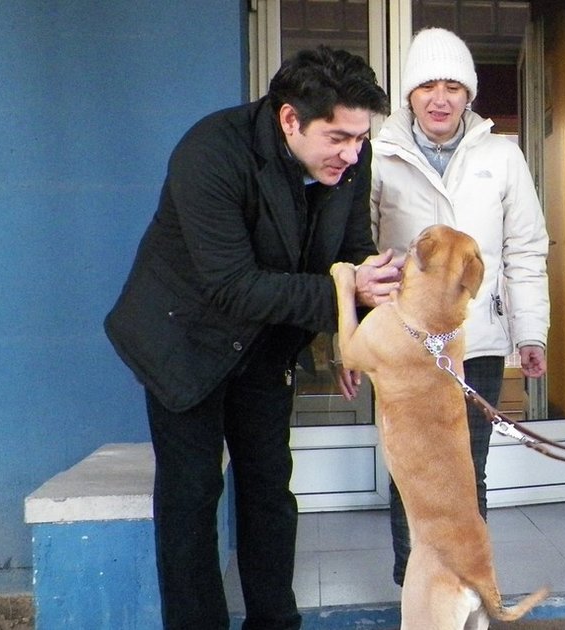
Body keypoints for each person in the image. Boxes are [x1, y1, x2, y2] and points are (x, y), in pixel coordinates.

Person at [104, 47, 399, 630]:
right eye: (338, 137)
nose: (353, 152)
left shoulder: (350, 161)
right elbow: (232, 286)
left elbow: (350, 251)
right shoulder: (210, 151)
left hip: (266, 346)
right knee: (191, 498)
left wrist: (353, 329)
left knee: (269, 491)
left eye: (361, 138)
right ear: (291, 119)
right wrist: (345, 295)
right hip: (182, 341)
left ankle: (274, 622)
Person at [355, 27, 550, 587]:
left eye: (452, 86)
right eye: (426, 86)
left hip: (479, 342)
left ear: (469, 95)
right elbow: (361, 253)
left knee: (467, 474)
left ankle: (467, 592)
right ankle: (417, 594)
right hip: (407, 347)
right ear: (409, 95)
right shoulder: (379, 156)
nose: (439, 98)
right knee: (412, 473)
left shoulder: (502, 155)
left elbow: (526, 249)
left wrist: (530, 332)